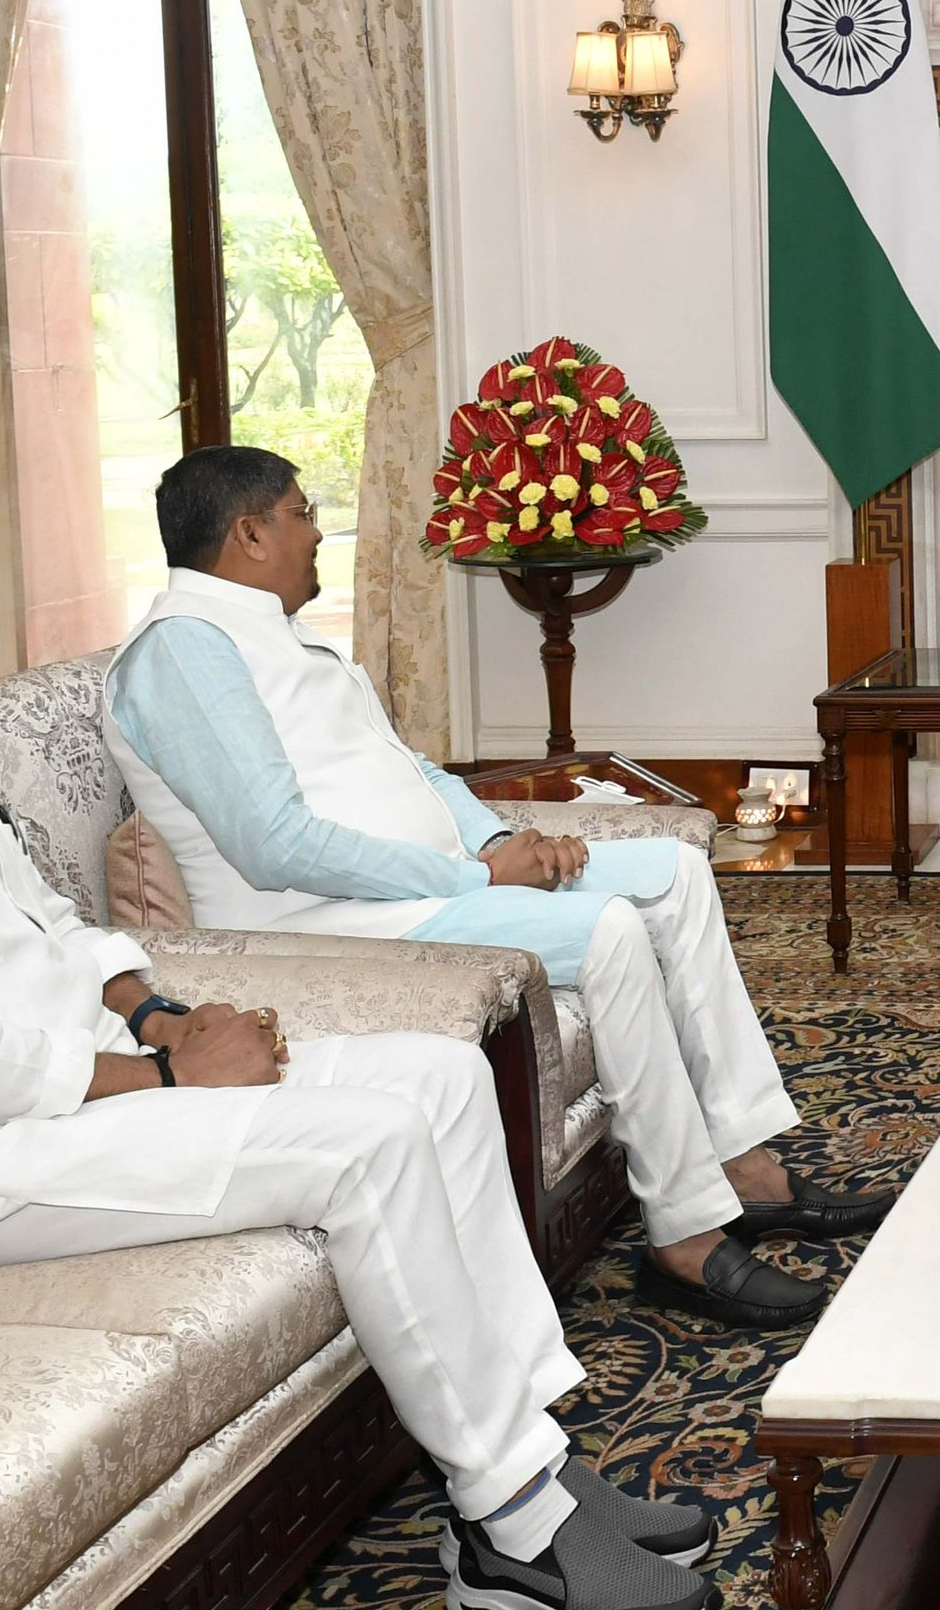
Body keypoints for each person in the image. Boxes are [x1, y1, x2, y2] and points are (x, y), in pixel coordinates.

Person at [0, 480, 714, 1610]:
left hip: (67, 1091)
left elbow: (52, 930)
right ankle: (512, 1528)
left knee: (441, 1075)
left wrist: (162, 1018)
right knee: (365, 1143)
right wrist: (169, 1080)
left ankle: (536, 1462)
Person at [102, 447, 895, 1335]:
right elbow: (275, 846)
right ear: (249, 534)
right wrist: (478, 875)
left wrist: (494, 839)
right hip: (326, 925)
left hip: (425, 887)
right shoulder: (181, 651)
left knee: (672, 873)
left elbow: (411, 767)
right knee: (606, 928)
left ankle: (742, 1163)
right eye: (301, 512)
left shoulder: (277, 631)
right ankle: (685, 1233)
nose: (317, 529)